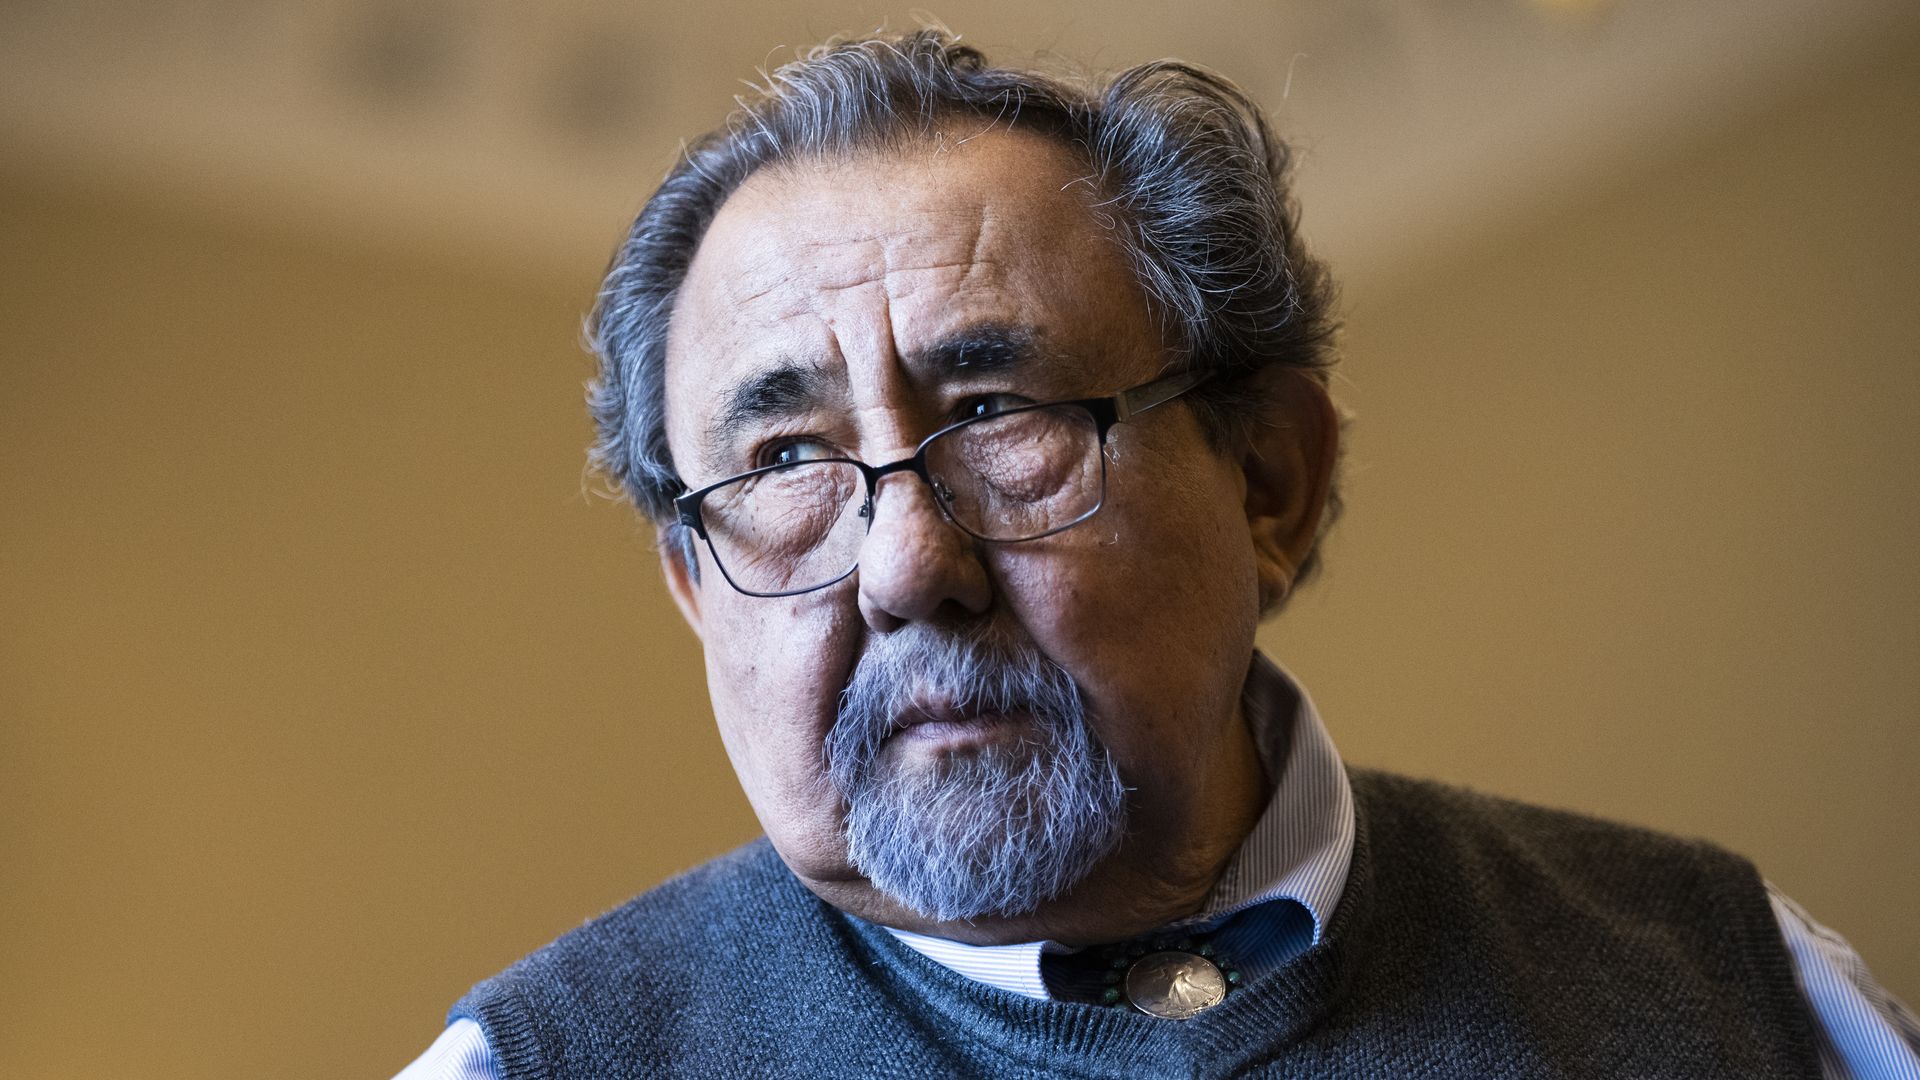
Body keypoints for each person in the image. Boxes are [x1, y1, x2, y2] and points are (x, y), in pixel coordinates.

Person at [398, 29, 1919, 1079]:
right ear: (694, 585)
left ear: (1270, 478)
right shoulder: (538, 1062)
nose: (906, 564)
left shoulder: (1724, 992)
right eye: (785, 461)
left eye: (998, 413)